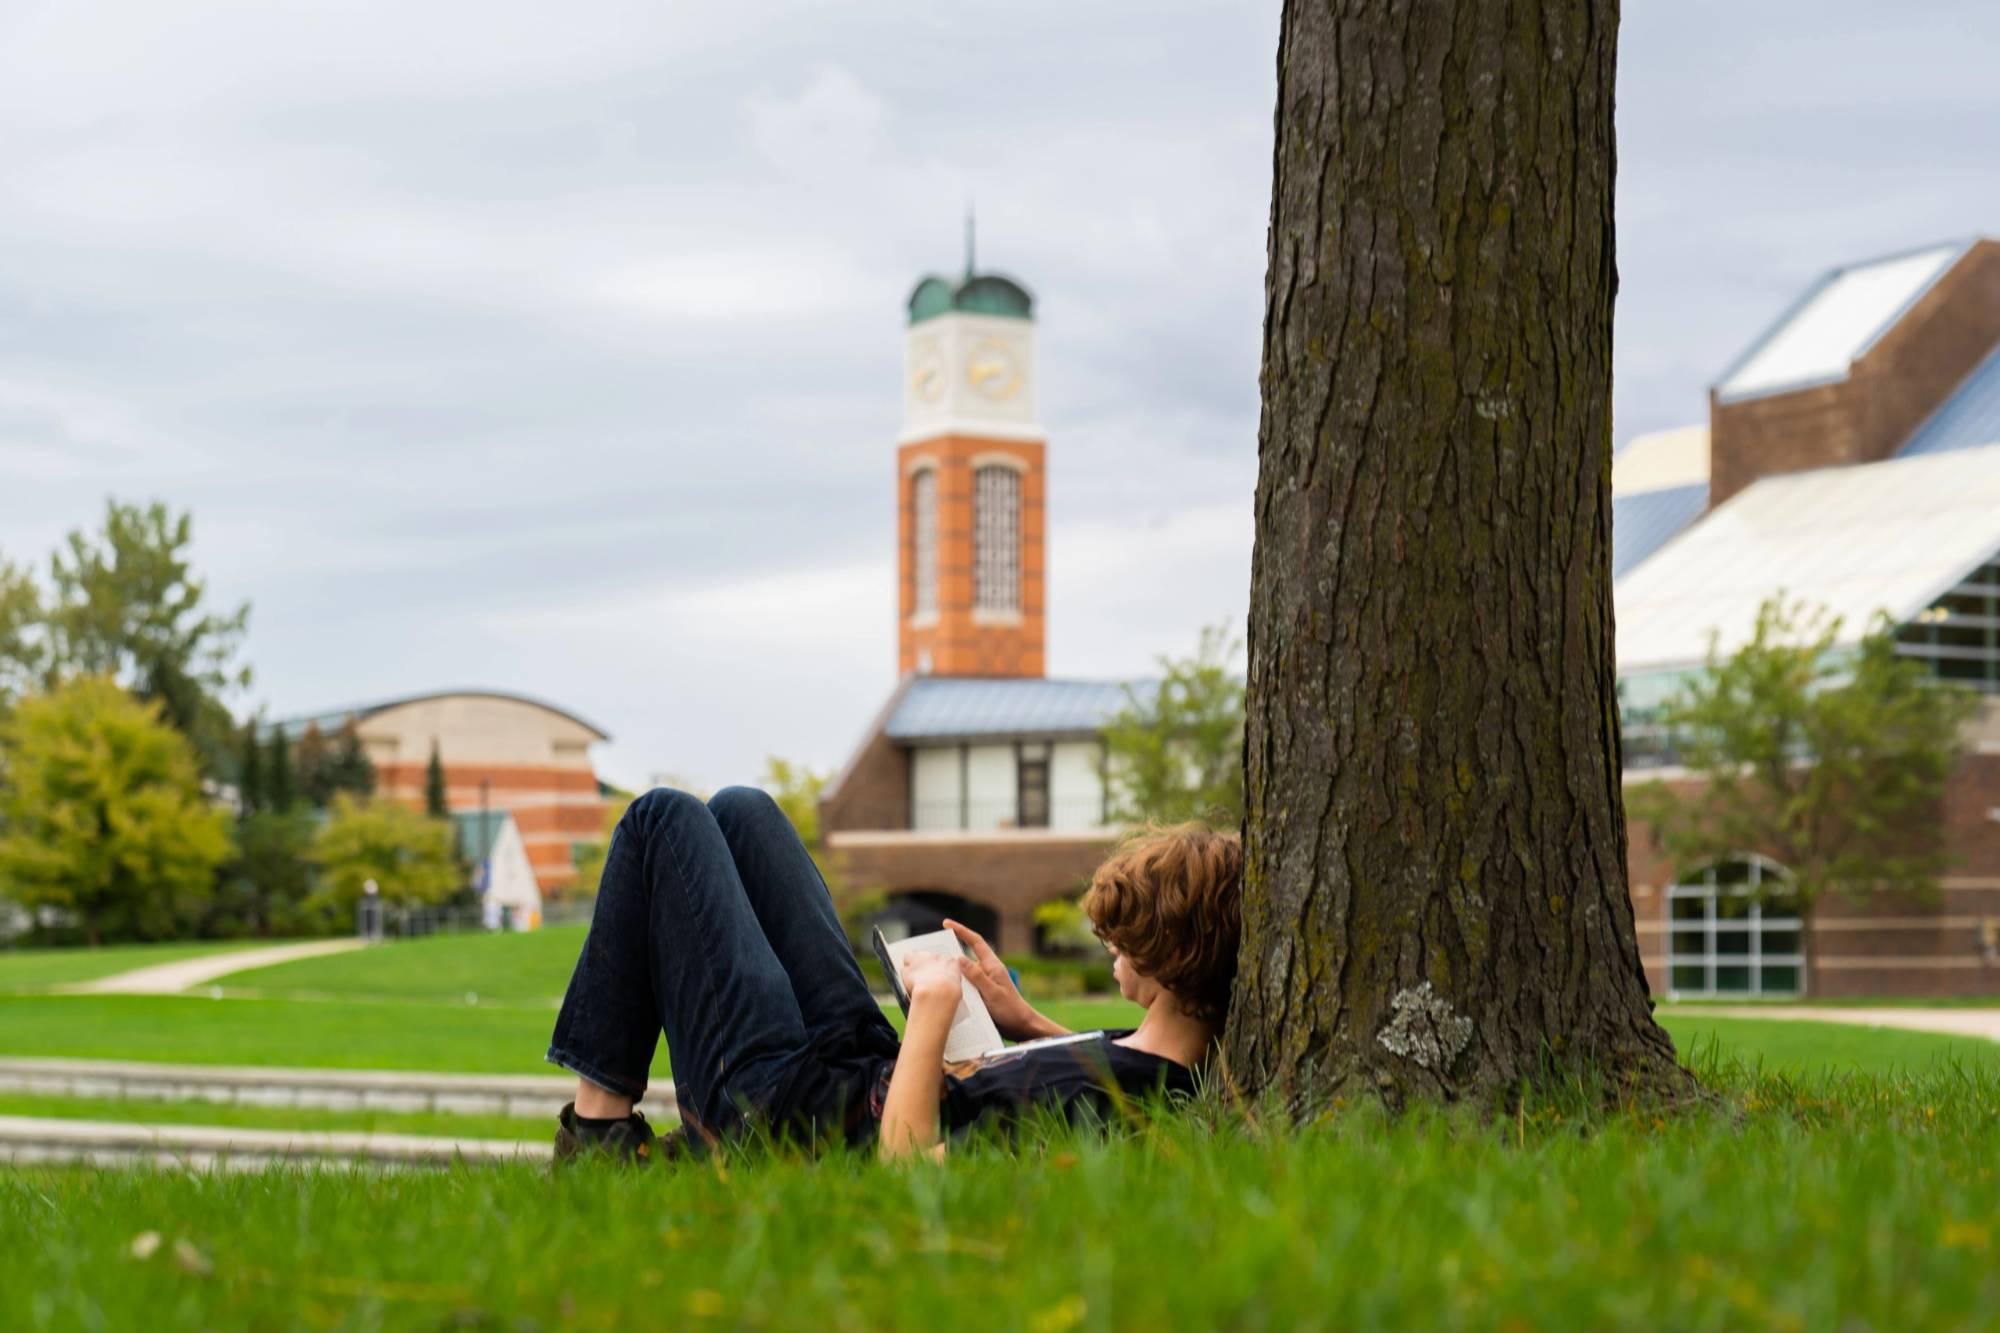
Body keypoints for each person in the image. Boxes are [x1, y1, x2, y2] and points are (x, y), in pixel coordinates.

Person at [545, 785, 1242, 1164]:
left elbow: (907, 1159)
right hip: (856, 1072)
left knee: (660, 821)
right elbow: (1095, 1070)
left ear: (1169, 959)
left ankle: (598, 1142)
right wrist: (1020, 1019)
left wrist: (936, 1010)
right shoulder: (1163, 1061)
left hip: (791, 1117)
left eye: (1125, 936)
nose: (1110, 945)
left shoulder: (1138, 1088)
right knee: (744, 810)